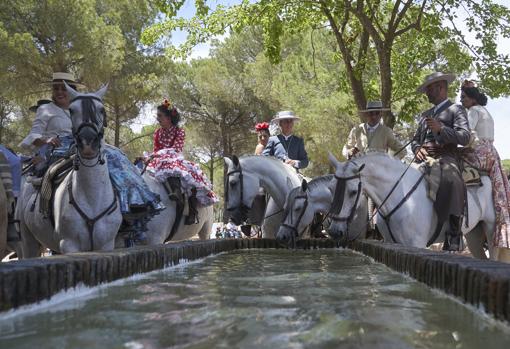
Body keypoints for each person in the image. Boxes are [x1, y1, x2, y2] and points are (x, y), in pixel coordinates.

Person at [20, 72, 163, 243]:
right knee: (51, 173)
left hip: (81, 143)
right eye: (56, 88)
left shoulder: (80, 105)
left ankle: (132, 207)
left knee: (119, 159)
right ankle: (47, 213)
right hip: (57, 148)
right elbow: (33, 135)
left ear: (71, 90)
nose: (59, 92)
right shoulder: (46, 109)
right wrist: (46, 139)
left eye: (63, 88)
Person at [411, 72, 470, 252]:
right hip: (422, 159)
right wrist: (417, 149)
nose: (427, 93)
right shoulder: (425, 114)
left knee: (452, 180)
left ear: (441, 88)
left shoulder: (456, 109)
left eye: (429, 89)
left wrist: (441, 129)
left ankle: (453, 233)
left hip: (445, 156)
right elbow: (415, 139)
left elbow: (465, 137)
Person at [146, 99, 218, 225]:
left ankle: (191, 209)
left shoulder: (180, 131)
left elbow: (176, 149)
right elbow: (156, 149)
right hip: (159, 159)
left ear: (168, 118)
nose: (157, 119)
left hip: (174, 158)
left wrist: (159, 155)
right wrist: (153, 156)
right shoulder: (157, 133)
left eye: (160, 116)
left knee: (188, 176)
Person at [461, 81, 510, 262]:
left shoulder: (473, 111)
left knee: (449, 161)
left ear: (472, 98)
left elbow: (468, 135)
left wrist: (456, 145)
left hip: (479, 152)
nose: (462, 100)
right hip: (492, 154)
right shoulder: (486, 111)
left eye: (464, 97)